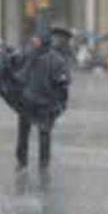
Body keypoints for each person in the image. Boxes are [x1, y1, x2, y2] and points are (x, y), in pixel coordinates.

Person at [15, 32, 70, 171]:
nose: (33, 41)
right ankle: (22, 161)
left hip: (45, 104)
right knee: (23, 134)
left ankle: (43, 163)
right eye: (33, 38)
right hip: (26, 101)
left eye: (36, 39)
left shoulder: (55, 59)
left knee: (44, 134)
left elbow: (63, 80)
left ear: (43, 41)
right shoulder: (28, 55)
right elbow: (18, 71)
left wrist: (60, 89)